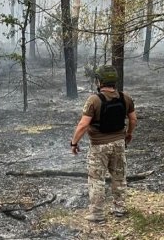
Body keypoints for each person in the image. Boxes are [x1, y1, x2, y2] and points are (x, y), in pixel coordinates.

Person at [70, 65, 137, 223]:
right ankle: (120, 208)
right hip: (119, 144)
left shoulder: (94, 100)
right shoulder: (125, 97)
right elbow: (133, 119)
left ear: (100, 81)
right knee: (119, 177)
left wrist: (74, 143)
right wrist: (128, 134)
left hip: (99, 146)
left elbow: (83, 125)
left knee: (96, 179)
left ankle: (97, 213)